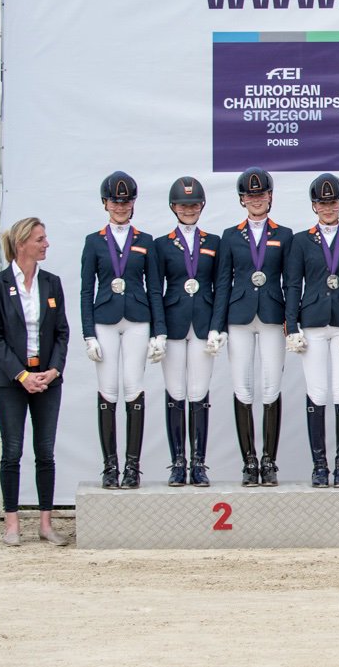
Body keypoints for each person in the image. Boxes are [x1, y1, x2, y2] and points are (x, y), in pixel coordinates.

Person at [0, 218, 69, 545]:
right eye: (40, 239)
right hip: (10, 381)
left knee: (45, 451)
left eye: (45, 238)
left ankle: (45, 524)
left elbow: (61, 332)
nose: (46, 244)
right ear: (22, 244)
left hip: (47, 379)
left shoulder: (51, 283)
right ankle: (11, 524)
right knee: (12, 451)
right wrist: (21, 375)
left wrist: (54, 370)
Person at [80, 172, 166, 490]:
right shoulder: (94, 241)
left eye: (126, 201)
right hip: (104, 319)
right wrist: (88, 333)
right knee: (108, 389)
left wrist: (159, 332)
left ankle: (132, 467)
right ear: (105, 203)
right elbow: (85, 290)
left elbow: (154, 289)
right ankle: (109, 466)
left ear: (133, 203)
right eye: (115, 201)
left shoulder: (145, 241)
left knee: (133, 387)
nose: (120, 206)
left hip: (137, 320)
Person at [209, 167, 292, 486]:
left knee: (271, 386)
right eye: (250, 195)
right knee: (242, 387)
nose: (256, 200)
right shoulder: (230, 236)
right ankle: (249, 461)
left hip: (271, 314)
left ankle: (269, 461)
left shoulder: (284, 235)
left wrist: (292, 323)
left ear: (270, 196)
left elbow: (291, 283)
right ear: (242, 199)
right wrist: (217, 326)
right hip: (239, 316)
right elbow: (222, 283)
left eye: (261, 194)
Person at [285, 173, 339, 487]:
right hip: (313, 323)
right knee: (317, 392)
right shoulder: (301, 241)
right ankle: (319, 466)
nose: (328, 208)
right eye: (323, 203)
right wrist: (291, 327)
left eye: (333, 202)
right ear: (314, 206)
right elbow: (293, 285)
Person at [154, 177, 220, 487]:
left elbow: (221, 287)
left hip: (204, 323)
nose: (189, 210)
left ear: (201, 206)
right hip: (174, 322)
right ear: (173, 207)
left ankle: (199, 463)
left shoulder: (214, 242)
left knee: (199, 392)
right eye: (183, 205)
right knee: (175, 392)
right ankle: (178, 462)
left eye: (193, 205)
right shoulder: (161, 244)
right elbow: (155, 290)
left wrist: (218, 327)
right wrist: (158, 330)